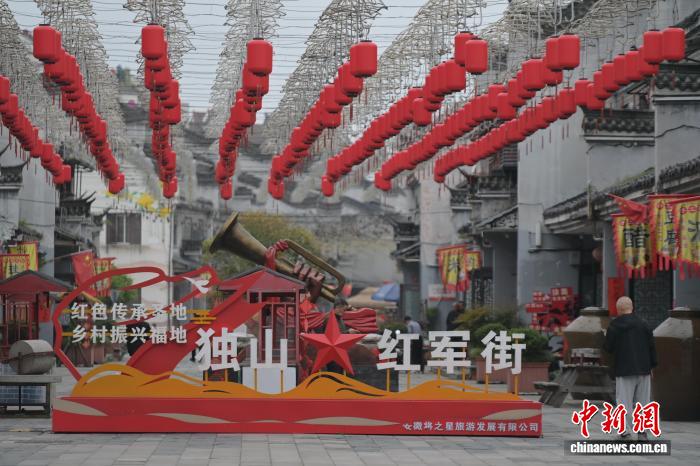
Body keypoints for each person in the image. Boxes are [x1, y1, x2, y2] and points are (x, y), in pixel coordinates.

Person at [603, 296, 657, 441]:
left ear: (618, 309)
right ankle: (642, 432)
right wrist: (652, 366)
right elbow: (652, 346)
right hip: (644, 368)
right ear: (632, 308)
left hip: (624, 369)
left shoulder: (614, 325)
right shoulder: (644, 324)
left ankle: (625, 431)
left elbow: (608, 348)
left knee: (624, 401)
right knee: (643, 402)